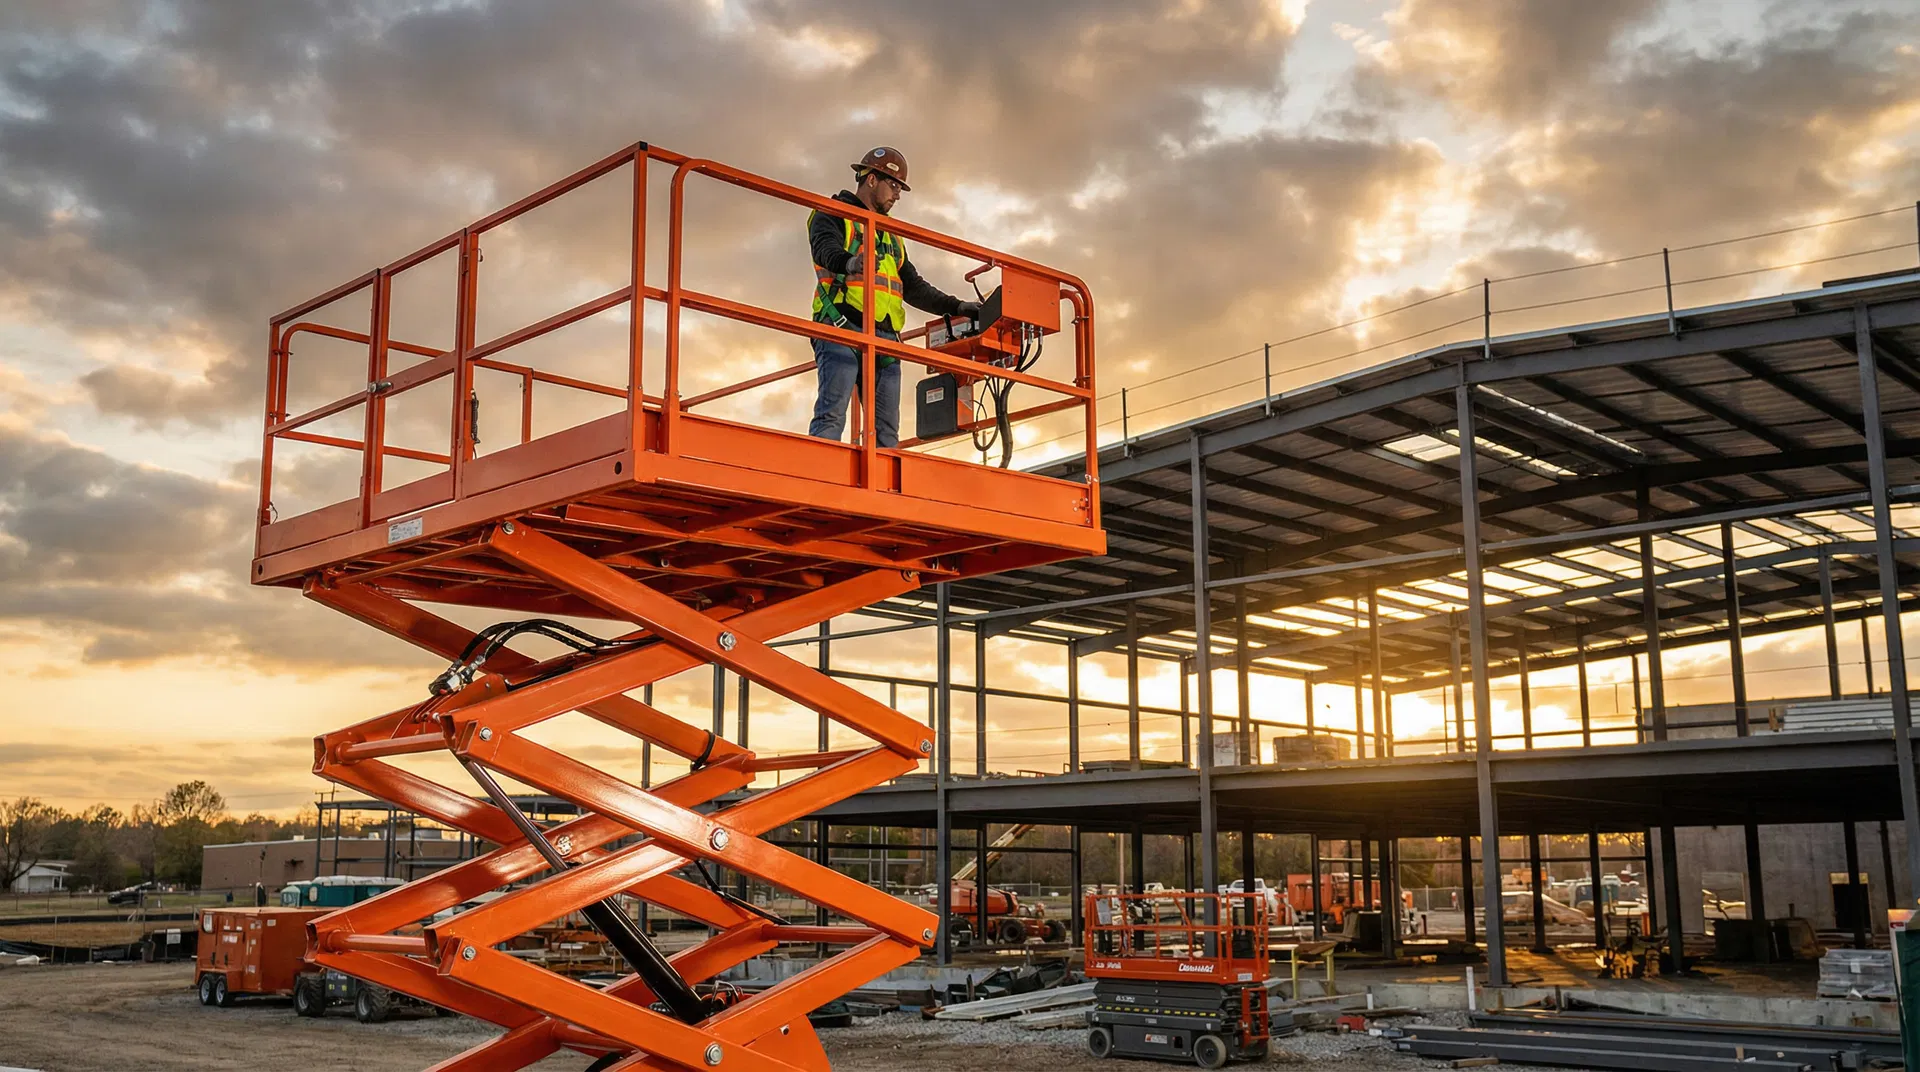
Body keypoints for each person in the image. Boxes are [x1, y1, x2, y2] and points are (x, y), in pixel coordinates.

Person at [807, 146, 979, 448]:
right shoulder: (832, 213)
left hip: (885, 339)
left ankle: (883, 488)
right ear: (871, 180)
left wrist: (956, 306)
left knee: (886, 432)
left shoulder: (890, 235)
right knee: (832, 416)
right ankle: (823, 479)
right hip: (841, 328)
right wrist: (850, 262)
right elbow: (824, 248)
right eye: (894, 185)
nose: (898, 195)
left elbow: (913, 286)